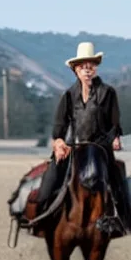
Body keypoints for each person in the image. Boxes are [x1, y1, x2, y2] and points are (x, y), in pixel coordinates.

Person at [37, 41, 130, 230]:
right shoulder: (69, 95)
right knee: (52, 174)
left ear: (95, 68)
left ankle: (122, 219)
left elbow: (114, 123)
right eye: (82, 67)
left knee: (116, 177)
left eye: (91, 66)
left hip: (100, 147)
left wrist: (114, 138)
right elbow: (59, 126)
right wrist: (60, 141)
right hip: (73, 147)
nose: (87, 70)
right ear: (75, 70)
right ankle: (42, 213)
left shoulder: (108, 93)